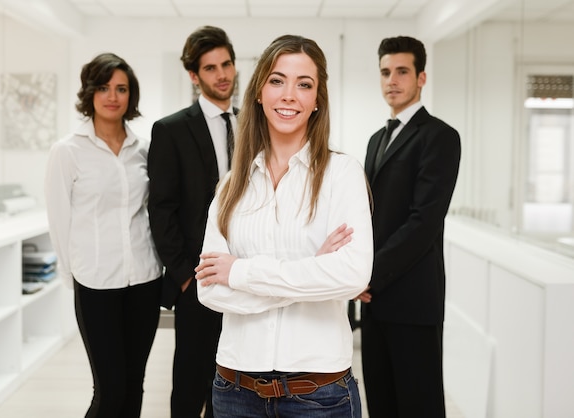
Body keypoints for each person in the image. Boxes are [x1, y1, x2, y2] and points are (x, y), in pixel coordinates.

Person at [194, 34, 373, 417]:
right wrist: (311, 271)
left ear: (317, 100)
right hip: (234, 389)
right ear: (259, 92)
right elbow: (208, 290)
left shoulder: (342, 174)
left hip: (319, 395)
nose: (289, 95)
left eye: (304, 84)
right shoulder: (231, 186)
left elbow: (353, 275)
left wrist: (240, 271)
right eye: (277, 80)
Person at [44, 52, 163, 417]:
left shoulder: (143, 149)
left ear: (131, 95)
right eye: (103, 87)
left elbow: (151, 213)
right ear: (89, 93)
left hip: (144, 279)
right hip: (95, 283)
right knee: (109, 391)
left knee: (134, 385)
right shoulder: (67, 151)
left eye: (121, 88)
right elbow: (58, 220)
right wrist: (71, 274)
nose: (113, 96)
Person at [357, 35, 461, 418]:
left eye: (402, 71)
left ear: (421, 78)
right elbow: (369, 216)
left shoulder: (440, 137)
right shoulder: (375, 140)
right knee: (381, 402)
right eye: (385, 72)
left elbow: (424, 221)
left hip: (414, 297)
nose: (392, 80)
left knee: (419, 404)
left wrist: (370, 273)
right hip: (374, 299)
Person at [147, 25, 237, 418]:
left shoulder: (255, 124)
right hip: (197, 280)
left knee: (234, 380)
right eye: (211, 67)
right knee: (190, 381)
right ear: (194, 76)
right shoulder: (170, 130)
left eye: (227, 64)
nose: (222, 74)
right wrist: (184, 277)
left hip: (245, 275)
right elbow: (161, 208)